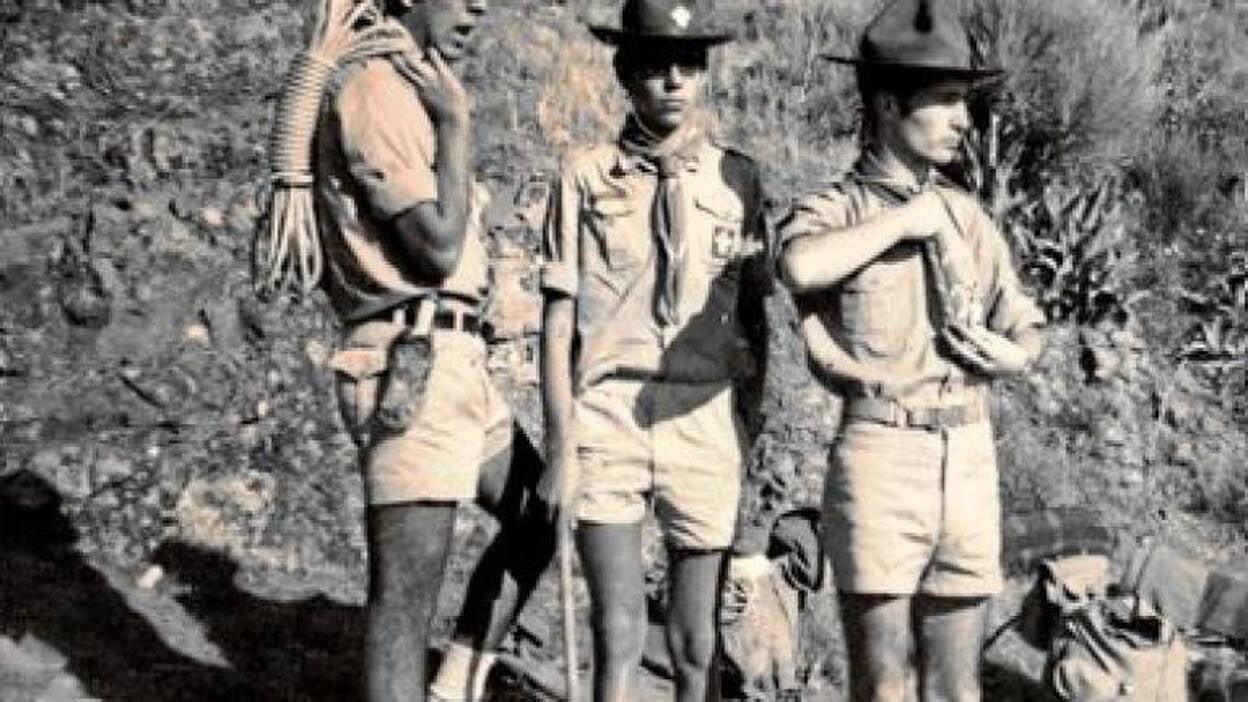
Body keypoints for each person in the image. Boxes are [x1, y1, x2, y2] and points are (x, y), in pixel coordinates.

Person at [777, 0, 1046, 699]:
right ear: (890, 104)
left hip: (968, 458)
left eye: (965, 102)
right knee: (883, 683)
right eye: (946, 101)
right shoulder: (838, 209)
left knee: (956, 686)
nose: (964, 121)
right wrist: (904, 221)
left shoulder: (967, 217)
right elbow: (800, 266)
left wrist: (1012, 354)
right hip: (881, 457)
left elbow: (1025, 323)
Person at [312, 0, 554, 699]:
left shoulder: (412, 87)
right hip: (410, 359)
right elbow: (438, 248)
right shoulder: (374, 92)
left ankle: (453, 688)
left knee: (539, 512)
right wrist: (457, 125)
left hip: (453, 360)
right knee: (404, 604)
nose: (478, 5)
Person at [539, 1, 771, 699]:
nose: (674, 81)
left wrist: (744, 425)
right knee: (618, 630)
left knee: (696, 641)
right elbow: (557, 322)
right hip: (608, 414)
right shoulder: (584, 176)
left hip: (703, 416)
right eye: (656, 66)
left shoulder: (738, 180)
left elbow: (755, 320)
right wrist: (560, 443)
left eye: (689, 66)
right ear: (624, 72)